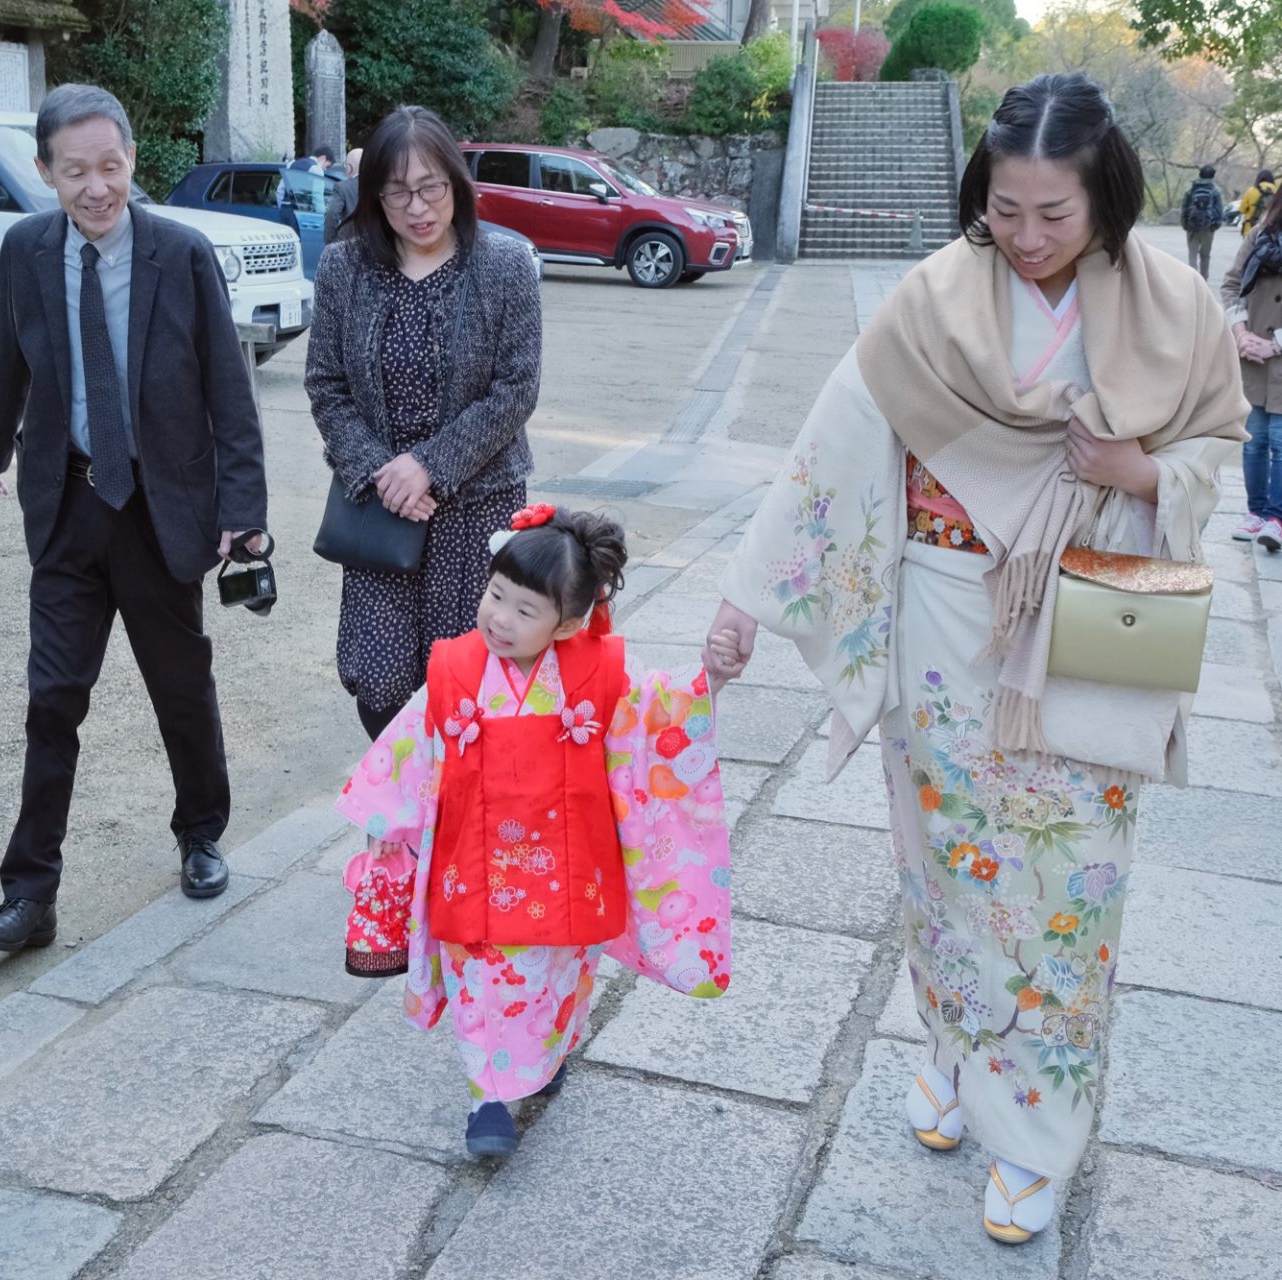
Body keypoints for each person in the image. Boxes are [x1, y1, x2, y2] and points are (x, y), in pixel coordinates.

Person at [705, 72, 1246, 1247]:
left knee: (1065, 887)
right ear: (980, 194)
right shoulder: (931, 301)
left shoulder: (1176, 311)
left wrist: (1143, 473)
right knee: (947, 867)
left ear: (1107, 196)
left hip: (1100, 613)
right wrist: (747, 598)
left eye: (1057, 213)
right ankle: (954, 1056)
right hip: (944, 621)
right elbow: (835, 442)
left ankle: (1040, 1130)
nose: (1031, 237)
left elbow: (1214, 439)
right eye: (1007, 209)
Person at [0, 84, 269, 952]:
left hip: (161, 507)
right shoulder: (25, 251)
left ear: (131, 159)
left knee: (180, 685)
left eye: (110, 166)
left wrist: (243, 510)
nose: (95, 187)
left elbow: (226, 390)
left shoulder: (181, 252)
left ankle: (200, 833)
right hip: (67, 503)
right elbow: (5, 366)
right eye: (74, 170)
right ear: (46, 170)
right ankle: (30, 892)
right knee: (53, 697)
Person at [337, 505, 734, 1157]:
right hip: (471, 862)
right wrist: (386, 822)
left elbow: (660, 717)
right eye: (495, 596)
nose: (500, 618)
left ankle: (542, 1059)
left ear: (570, 623)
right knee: (486, 981)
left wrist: (711, 678)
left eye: (525, 610)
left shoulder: (599, 673)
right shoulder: (452, 668)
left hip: (566, 866)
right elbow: (412, 741)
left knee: (550, 978)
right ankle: (488, 1097)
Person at [306, 104, 543, 742]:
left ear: (456, 184)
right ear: (374, 194)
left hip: (478, 509)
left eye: (431, 185)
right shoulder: (343, 269)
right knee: (379, 679)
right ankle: (408, 826)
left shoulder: (505, 266)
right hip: (381, 509)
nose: (418, 206)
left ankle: (462, 828)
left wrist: (431, 466)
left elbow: (517, 387)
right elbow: (325, 385)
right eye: (397, 191)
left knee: (471, 679)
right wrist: (384, 474)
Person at [1223, 189, 1282, 548]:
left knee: (1281, 440)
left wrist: (1276, 344)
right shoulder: (1259, 236)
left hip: (1276, 355)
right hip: (1254, 361)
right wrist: (1241, 334)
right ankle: (1256, 512)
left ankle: (1277, 518)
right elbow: (1231, 285)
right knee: (1254, 440)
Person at [1180, 164, 1226, 278]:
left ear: (1199, 175)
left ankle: (1193, 279)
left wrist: (1185, 224)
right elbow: (1219, 210)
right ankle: (1203, 280)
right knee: (1205, 255)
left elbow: (1184, 208)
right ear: (1212, 176)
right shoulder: (1215, 192)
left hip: (1192, 227)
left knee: (1192, 254)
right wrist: (1215, 225)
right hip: (1208, 228)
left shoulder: (1191, 191)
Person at [322, 145, 362, 245]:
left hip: (350, 245)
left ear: (349, 167)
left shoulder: (342, 187)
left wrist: (331, 242)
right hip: (378, 248)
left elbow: (332, 214)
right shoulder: (380, 186)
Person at [1240, 168, 1275, 237]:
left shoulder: (1251, 190)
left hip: (1250, 227)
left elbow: (1242, 209)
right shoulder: (1278, 191)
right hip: (1271, 230)